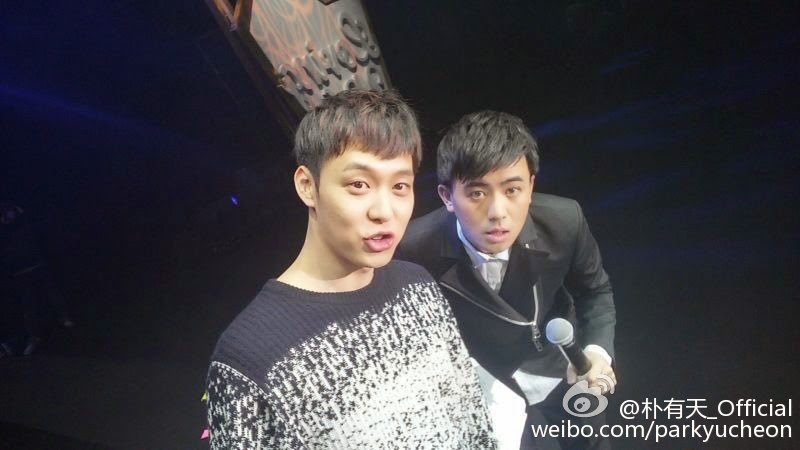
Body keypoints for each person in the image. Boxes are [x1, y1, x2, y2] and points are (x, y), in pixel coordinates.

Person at [204, 90, 496, 449]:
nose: (384, 211)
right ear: (307, 186)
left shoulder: (416, 284)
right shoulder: (250, 354)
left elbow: (471, 415)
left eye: (400, 186)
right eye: (359, 185)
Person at [396, 110, 617, 449]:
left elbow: (595, 292)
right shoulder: (413, 248)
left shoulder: (564, 221)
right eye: (477, 193)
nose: (498, 212)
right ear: (447, 197)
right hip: (484, 384)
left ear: (530, 186)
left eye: (512, 189)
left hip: (564, 367)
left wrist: (597, 352)